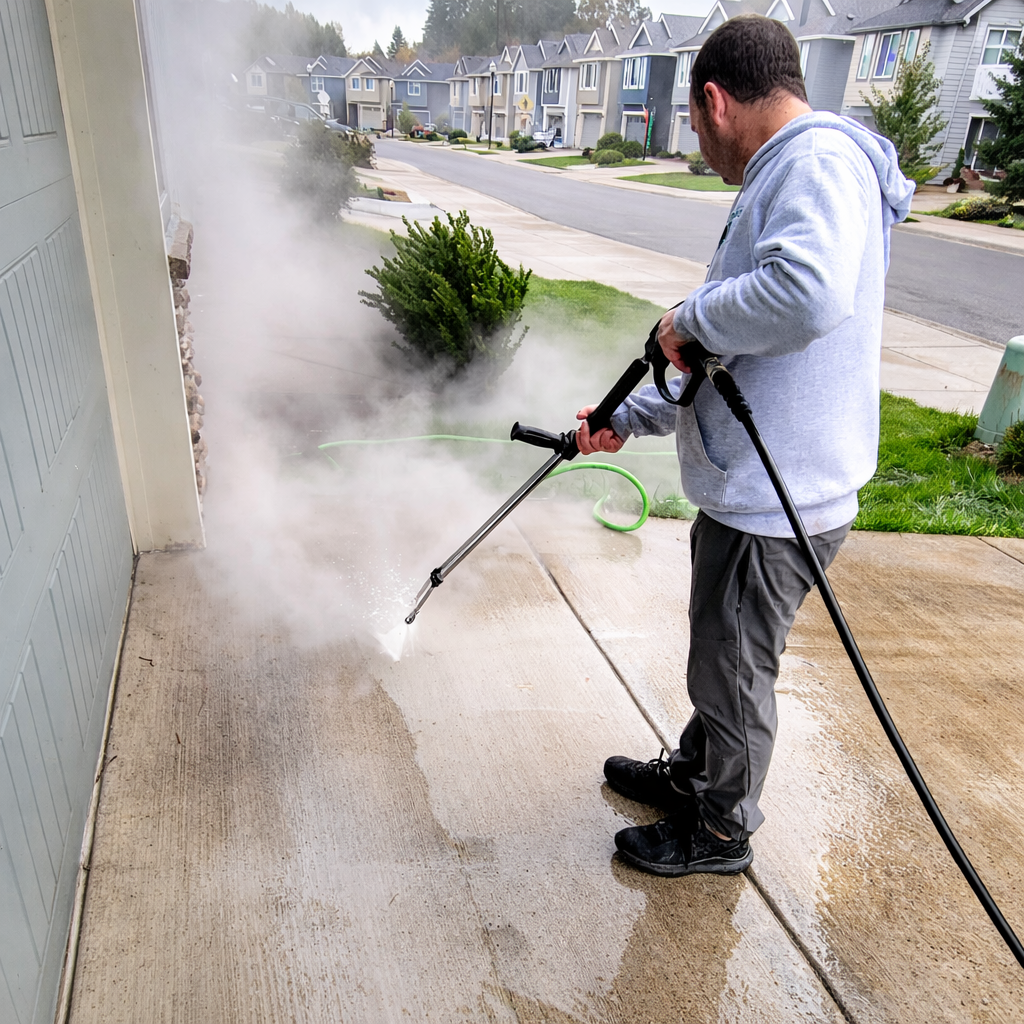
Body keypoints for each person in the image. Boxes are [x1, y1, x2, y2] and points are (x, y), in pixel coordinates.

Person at [576, 15, 915, 877]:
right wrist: (637, 415)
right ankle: (696, 775)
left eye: (692, 123)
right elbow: (737, 351)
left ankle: (720, 829)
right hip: (763, 488)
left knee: (730, 670)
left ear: (715, 100)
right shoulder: (802, 167)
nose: (700, 141)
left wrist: (686, 317)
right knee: (719, 654)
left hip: (777, 500)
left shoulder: (814, 164)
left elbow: (802, 297)